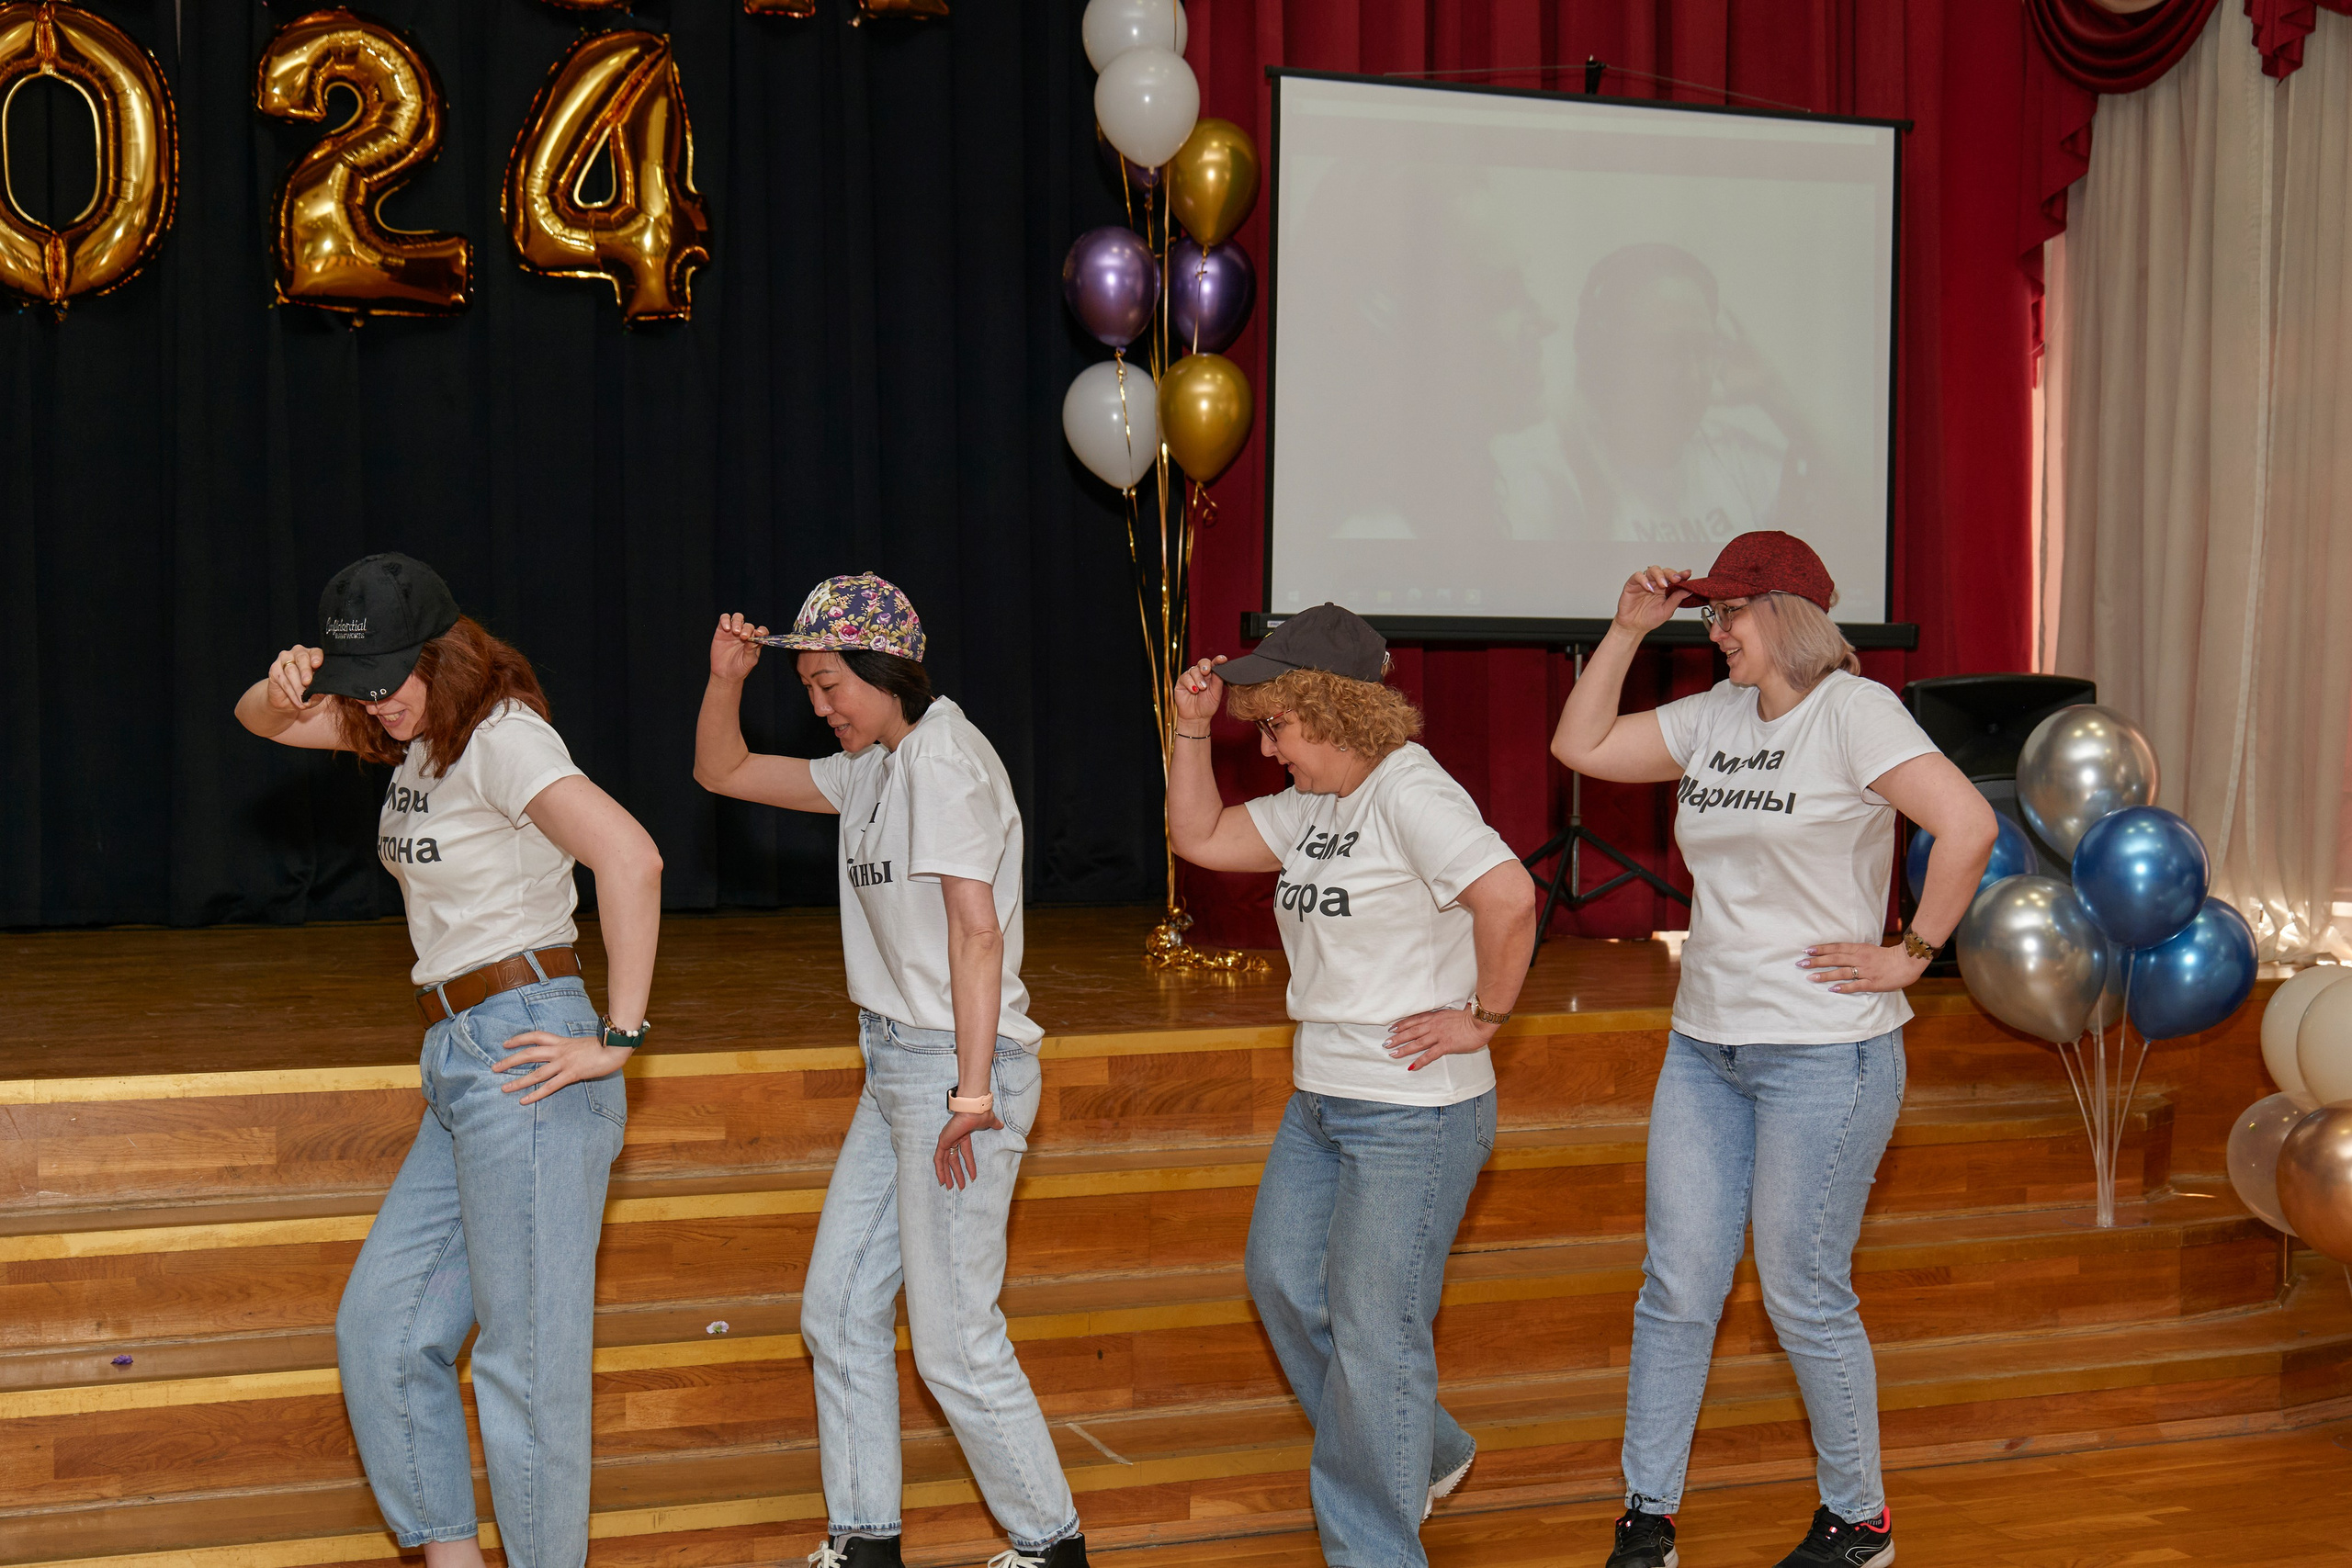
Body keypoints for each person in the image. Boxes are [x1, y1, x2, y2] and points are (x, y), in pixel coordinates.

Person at [1548, 531, 1996, 1568]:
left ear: (1785, 615)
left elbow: (1966, 825)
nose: (1714, 633)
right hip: (1706, 1048)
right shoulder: (1712, 717)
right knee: (1676, 1287)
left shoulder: (1854, 712)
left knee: (1802, 1289)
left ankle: (1859, 1522)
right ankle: (1646, 1518)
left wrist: (1912, 954)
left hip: (1823, 1057)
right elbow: (1581, 746)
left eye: (1729, 615)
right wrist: (1622, 632)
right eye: (1708, 615)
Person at [234, 553, 662, 1568]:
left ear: (444, 656)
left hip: (526, 1047)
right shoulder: (417, 736)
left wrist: (622, 1039)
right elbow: (263, 721)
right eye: (361, 687)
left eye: (390, 682)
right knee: (381, 1333)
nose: (375, 707)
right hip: (458, 1058)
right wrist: (282, 681)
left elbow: (631, 858)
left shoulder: (505, 740)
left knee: (527, 1369)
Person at [691, 574, 1085, 1568]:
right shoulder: (873, 765)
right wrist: (726, 680)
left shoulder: (942, 759)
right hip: (898, 1065)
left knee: (955, 1343)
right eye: (812, 691)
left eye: (832, 686)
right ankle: (864, 1542)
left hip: (956, 1069)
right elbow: (723, 772)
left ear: (885, 669)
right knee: (836, 1311)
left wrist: (973, 1094)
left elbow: (975, 933)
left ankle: (1050, 1547)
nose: (822, 708)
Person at [1164, 603, 1540, 1568]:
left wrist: (1485, 1018)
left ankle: (1373, 1548)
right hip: (1323, 1098)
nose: (1271, 747)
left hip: (1415, 1110)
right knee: (1283, 1283)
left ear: (1328, 714)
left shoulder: (1413, 795)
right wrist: (1191, 730)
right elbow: (1200, 836)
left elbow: (1508, 897)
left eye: (1277, 727)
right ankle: (1433, 1448)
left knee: (1378, 1335)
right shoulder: (1318, 807)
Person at [1493, 243, 1855, 547]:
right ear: (1605, 353)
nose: (1694, 376)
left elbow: (1860, 517)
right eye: (1669, 349)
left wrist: (1777, 396)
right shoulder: (1536, 472)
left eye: (1703, 349)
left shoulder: (1732, 455)